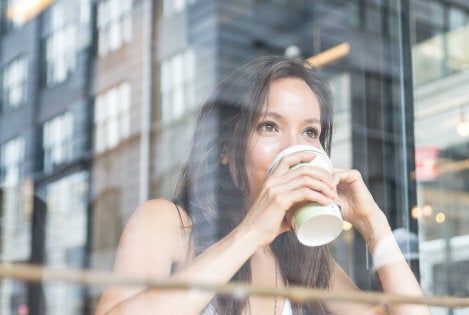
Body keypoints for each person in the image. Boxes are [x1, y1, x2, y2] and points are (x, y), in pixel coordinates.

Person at [94, 56, 430, 315]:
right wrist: (252, 231)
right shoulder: (167, 222)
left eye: (310, 132)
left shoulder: (306, 258)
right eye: (269, 126)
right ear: (225, 148)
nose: (293, 148)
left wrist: (374, 225)